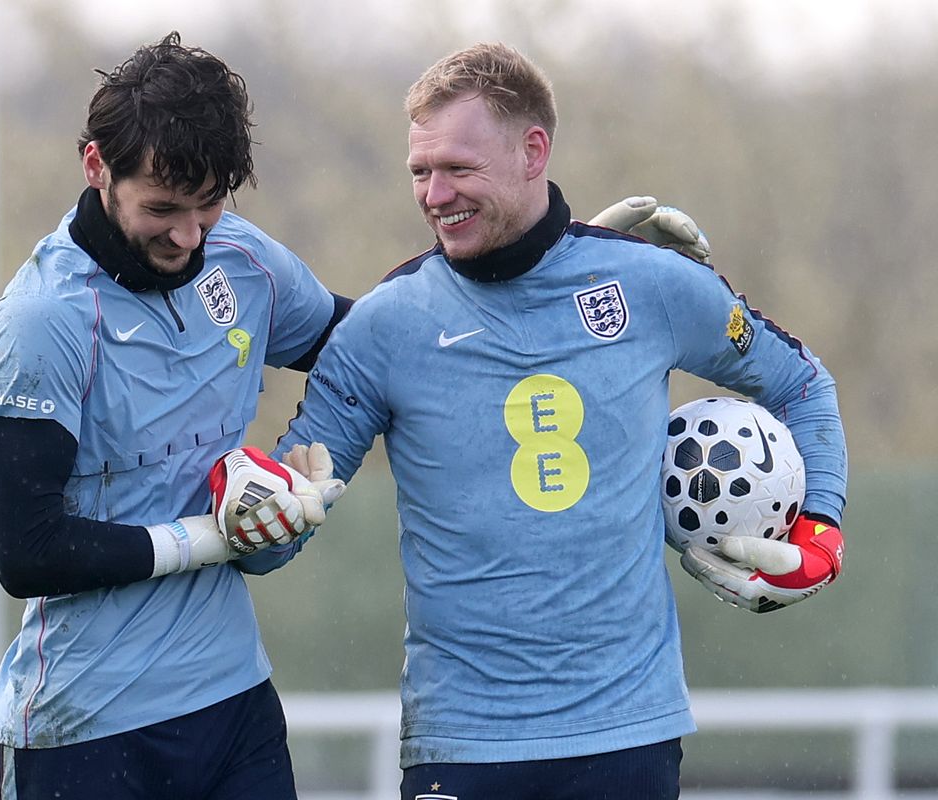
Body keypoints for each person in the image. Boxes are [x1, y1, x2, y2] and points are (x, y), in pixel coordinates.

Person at [0, 31, 713, 800]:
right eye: (162, 209)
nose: (188, 236)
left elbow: (406, 350)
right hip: (82, 726)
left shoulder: (243, 262)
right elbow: (27, 551)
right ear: (96, 167)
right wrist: (207, 540)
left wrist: (567, 259)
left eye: (208, 207)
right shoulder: (42, 320)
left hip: (231, 707)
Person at [269, 42, 847, 799]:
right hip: (460, 746)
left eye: (459, 169)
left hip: (629, 738)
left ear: (532, 150)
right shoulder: (385, 327)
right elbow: (279, 520)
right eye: (420, 171)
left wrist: (821, 529)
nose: (435, 193)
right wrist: (259, 507)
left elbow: (802, 385)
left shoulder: (653, 284)